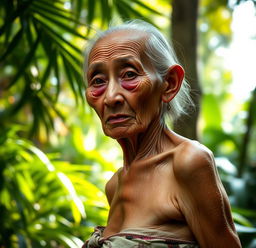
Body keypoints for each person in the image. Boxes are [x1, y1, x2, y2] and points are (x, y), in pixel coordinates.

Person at [82, 20, 241, 248]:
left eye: (129, 75)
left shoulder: (188, 162)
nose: (111, 97)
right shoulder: (114, 185)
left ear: (169, 84)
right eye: (98, 81)